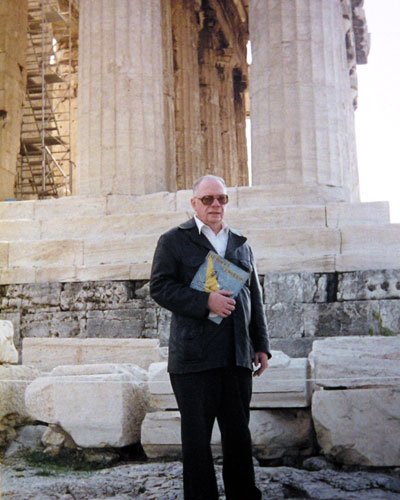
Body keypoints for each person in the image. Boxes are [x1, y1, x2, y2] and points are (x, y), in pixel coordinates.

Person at [150, 175, 271, 500]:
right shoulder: (173, 240)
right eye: (208, 199)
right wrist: (206, 302)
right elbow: (159, 287)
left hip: (236, 356)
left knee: (238, 439)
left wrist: (261, 346)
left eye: (222, 199)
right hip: (193, 360)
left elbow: (254, 297)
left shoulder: (241, 244)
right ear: (194, 203)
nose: (216, 205)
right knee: (196, 442)